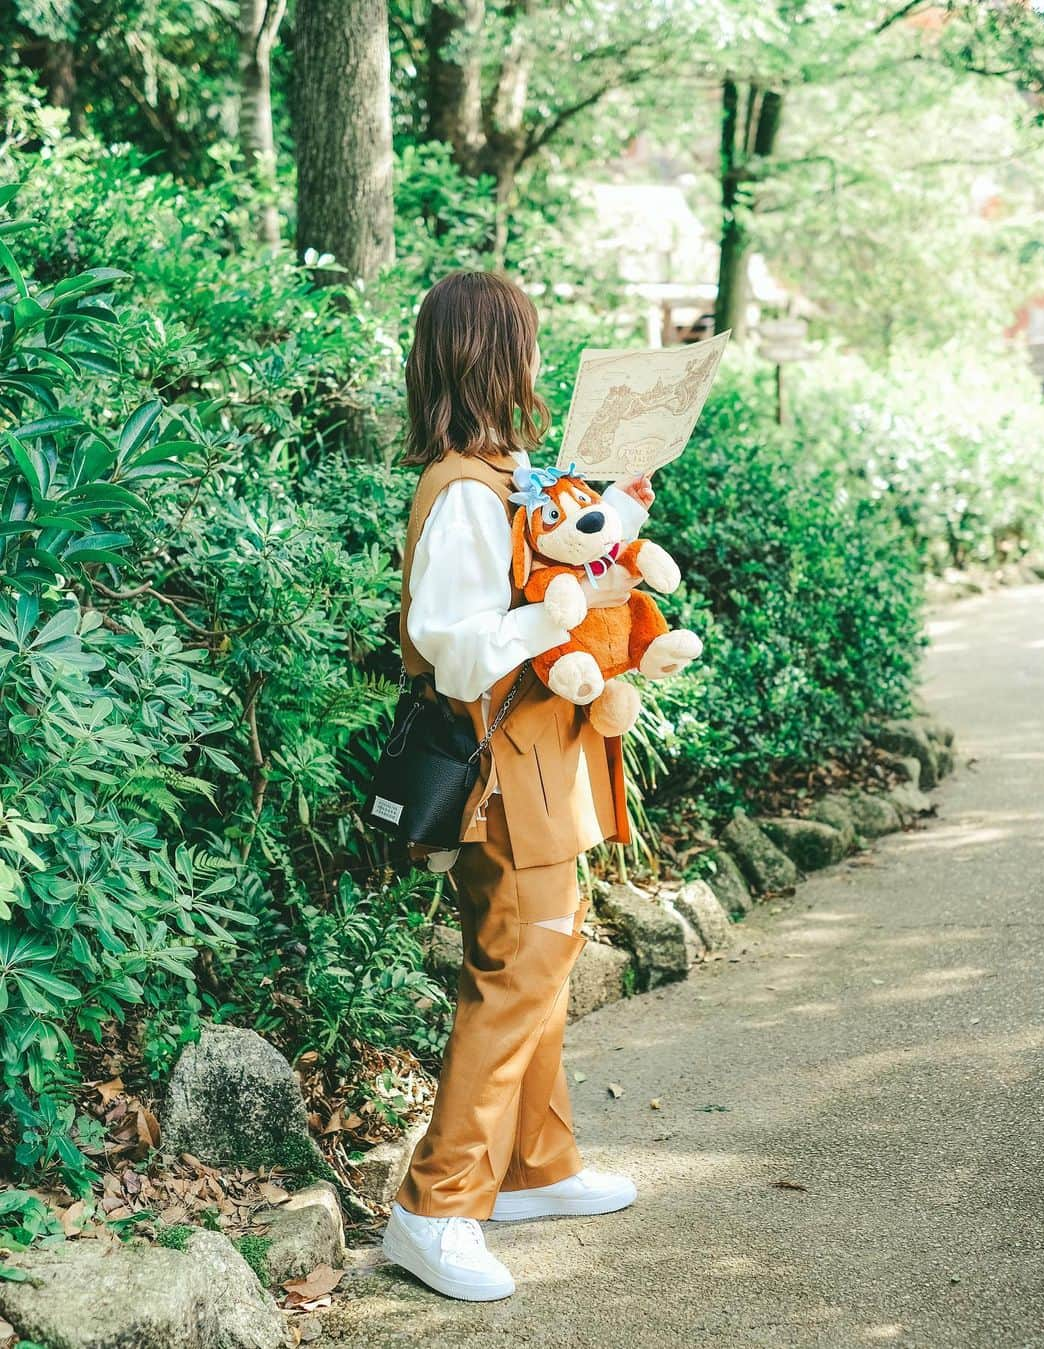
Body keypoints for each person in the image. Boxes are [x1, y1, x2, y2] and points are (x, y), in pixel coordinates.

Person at [380, 271, 655, 1303]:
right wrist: (555, 613)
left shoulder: (503, 476)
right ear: (495, 355)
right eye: (528, 343)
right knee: (521, 962)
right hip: (500, 764)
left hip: (539, 759)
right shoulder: (462, 491)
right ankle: (434, 1205)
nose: (540, 362)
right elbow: (453, 653)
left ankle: (535, 1165)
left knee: (542, 950)